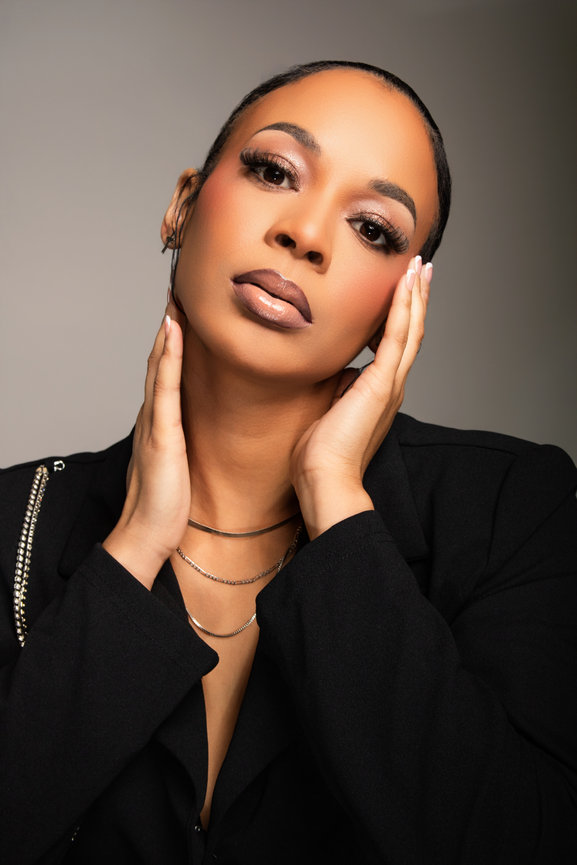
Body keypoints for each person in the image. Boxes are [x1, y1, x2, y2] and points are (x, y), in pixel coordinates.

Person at [0, 60, 576, 865]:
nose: (304, 234)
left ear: (398, 306)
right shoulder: (13, 520)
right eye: (274, 171)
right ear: (182, 204)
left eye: (372, 227)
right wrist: (132, 548)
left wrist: (336, 501)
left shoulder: (516, 508)